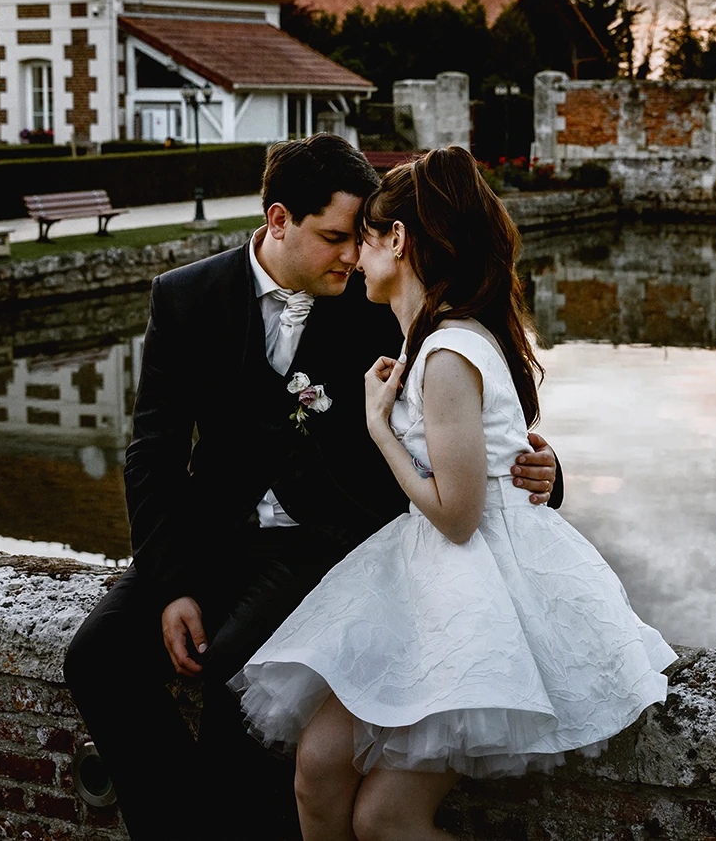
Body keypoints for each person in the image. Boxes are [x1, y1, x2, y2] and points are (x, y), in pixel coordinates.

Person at [63, 135, 563, 839]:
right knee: (97, 659)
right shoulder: (185, 298)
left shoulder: (376, 302)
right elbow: (152, 453)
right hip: (207, 536)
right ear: (277, 220)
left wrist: (545, 471)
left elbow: (477, 410)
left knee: (232, 673)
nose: (352, 255)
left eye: (359, 238)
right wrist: (172, 583)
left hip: (322, 547)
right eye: (333, 237)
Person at [232, 147, 675, 841]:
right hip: (413, 569)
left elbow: (462, 513)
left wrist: (380, 427)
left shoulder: (444, 345)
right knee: (317, 767)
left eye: (364, 238)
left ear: (398, 240)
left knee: (384, 817)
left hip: (472, 578)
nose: (352, 257)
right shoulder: (425, 334)